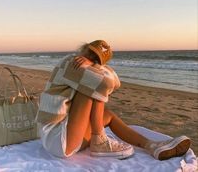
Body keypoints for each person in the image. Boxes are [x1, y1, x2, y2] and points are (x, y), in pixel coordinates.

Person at [38, 40, 191, 160]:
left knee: (108, 114)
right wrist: (97, 66)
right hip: (56, 137)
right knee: (93, 87)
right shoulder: (71, 62)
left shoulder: (87, 66)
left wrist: (93, 65)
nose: (90, 58)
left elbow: (115, 82)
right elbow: (107, 83)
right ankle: (100, 142)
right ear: (83, 48)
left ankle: (151, 146)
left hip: (65, 137)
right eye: (90, 53)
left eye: (96, 58)